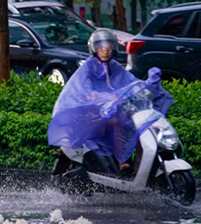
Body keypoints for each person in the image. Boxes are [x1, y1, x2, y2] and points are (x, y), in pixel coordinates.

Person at [47, 29, 173, 175]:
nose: (105, 52)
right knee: (116, 122)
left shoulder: (115, 67)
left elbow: (131, 83)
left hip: (113, 110)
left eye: (109, 48)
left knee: (141, 128)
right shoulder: (88, 67)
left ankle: (140, 170)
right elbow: (85, 92)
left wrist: (150, 85)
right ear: (94, 49)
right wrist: (106, 97)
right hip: (91, 114)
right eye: (101, 48)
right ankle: (122, 163)